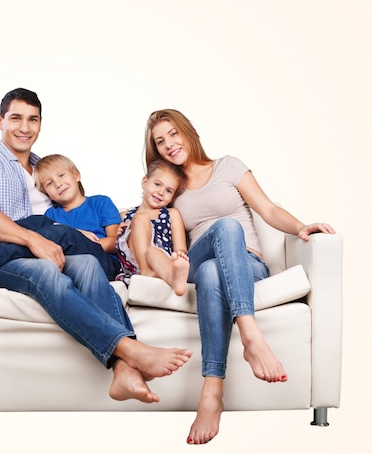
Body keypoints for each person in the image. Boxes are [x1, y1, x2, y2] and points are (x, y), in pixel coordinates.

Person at [0, 88, 192, 404]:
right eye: (15, 118)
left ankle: (124, 371)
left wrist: (128, 219)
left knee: (87, 262)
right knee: (47, 268)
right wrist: (37, 239)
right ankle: (130, 351)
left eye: (32, 119)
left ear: (40, 124)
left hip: (38, 250)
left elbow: (76, 210)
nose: (24, 127)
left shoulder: (42, 169)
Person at [143, 108, 335, 444]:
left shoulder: (228, 166)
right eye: (160, 142)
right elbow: (147, 221)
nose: (169, 144)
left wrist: (302, 226)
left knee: (214, 267)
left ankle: (211, 392)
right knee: (219, 239)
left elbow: (269, 209)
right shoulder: (172, 189)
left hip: (247, 264)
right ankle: (252, 336)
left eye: (173, 134)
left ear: (188, 132)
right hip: (198, 258)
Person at [0, 154, 121, 280]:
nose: (58, 184)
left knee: (63, 233)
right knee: (36, 222)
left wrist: (76, 236)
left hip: (104, 263)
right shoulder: (52, 214)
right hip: (67, 262)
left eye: (61, 175)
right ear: (45, 192)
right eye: (49, 183)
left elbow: (115, 242)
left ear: (76, 175)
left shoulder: (100, 203)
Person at [115, 159, 190, 296]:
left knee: (152, 252)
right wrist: (119, 233)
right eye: (157, 184)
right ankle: (146, 270)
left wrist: (179, 257)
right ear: (145, 182)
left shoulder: (171, 214)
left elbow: (180, 247)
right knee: (140, 218)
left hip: (160, 263)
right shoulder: (125, 215)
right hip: (135, 265)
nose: (161, 192)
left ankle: (174, 280)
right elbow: (116, 246)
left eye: (168, 190)